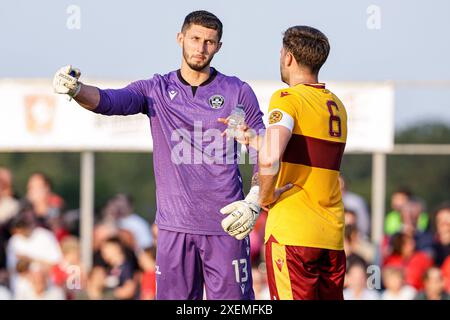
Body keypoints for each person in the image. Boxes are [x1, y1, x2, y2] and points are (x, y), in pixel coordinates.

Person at [52, 10, 265, 300]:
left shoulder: (237, 91)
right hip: (174, 227)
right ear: (180, 38)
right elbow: (110, 100)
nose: (201, 48)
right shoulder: (157, 90)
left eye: (209, 42)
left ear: (219, 47)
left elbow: (264, 147)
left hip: (227, 225)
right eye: (195, 39)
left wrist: (255, 197)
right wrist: (76, 89)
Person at [246, 25, 347, 299]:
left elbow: (270, 155)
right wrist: (254, 140)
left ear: (288, 57)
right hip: (331, 238)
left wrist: (264, 198)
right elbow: (308, 156)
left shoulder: (288, 98)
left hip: (293, 235)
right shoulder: (336, 105)